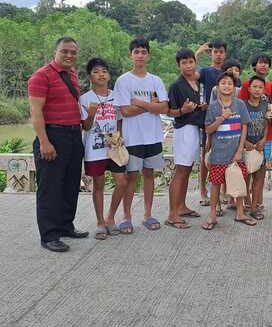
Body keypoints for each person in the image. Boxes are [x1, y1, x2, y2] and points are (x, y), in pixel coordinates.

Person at [28, 37, 88, 252]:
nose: (69, 55)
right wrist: (44, 142)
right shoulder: (41, 76)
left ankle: (65, 225)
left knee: (70, 184)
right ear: (55, 52)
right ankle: (49, 235)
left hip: (73, 135)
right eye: (65, 51)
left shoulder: (72, 75)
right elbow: (36, 112)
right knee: (50, 188)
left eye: (73, 52)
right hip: (53, 135)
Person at [113, 38, 169, 234]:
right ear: (131, 55)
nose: (140, 55)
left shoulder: (156, 80)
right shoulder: (123, 80)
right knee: (131, 176)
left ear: (148, 56)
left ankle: (147, 214)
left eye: (143, 52)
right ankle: (126, 217)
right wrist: (151, 105)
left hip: (153, 136)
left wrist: (139, 102)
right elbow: (125, 111)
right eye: (136, 52)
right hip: (132, 138)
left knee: (149, 174)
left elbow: (164, 107)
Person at [80, 58, 128, 240]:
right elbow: (85, 127)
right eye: (96, 71)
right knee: (98, 185)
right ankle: (100, 222)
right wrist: (91, 114)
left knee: (122, 182)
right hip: (94, 149)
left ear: (109, 75)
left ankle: (110, 217)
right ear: (90, 76)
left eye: (104, 71)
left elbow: (120, 120)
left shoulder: (117, 96)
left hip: (115, 147)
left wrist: (120, 138)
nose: (101, 74)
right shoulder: (84, 99)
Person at [202, 72, 255, 230]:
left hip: (236, 153)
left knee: (239, 180)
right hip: (218, 154)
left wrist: (240, 150)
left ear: (234, 87)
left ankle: (240, 212)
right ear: (218, 87)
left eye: (230, 83)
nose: (226, 86)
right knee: (216, 184)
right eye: (223, 83)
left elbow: (244, 127)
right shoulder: (213, 107)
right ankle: (212, 214)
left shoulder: (240, 104)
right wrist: (222, 117)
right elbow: (208, 129)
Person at [166, 48, 207, 229]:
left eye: (191, 62)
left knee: (188, 169)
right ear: (179, 65)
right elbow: (170, 111)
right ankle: (172, 214)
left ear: (195, 63)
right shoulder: (177, 85)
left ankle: (181, 207)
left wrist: (200, 107)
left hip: (194, 129)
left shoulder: (195, 82)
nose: (188, 65)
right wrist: (183, 110)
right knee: (181, 171)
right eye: (184, 63)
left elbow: (193, 107)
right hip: (184, 131)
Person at [195, 40, 227, 205]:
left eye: (221, 52)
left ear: (225, 54)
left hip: (227, 119)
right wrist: (197, 53)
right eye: (215, 52)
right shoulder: (205, 72)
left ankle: (223, 192)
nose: (218, 55)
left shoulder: (228, 73)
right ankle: (203, 190)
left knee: (225, 154)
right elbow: (189, 74)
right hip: (208, 119)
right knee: (205, 154)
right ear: (211, 54)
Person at [239, 53, 272, 170]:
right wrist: (244, 140)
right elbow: (240, 109)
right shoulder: (247, 84)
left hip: (266, 134)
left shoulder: (270, 85)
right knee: (247, 168)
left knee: (262, 167)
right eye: (260, 62)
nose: (263, 65)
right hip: (247, 135)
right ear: (254, 66)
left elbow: (271, 109)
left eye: (266, 63)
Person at [243, 76, 269, 220]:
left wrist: (264, 139)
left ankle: (254, 207)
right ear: (249, 88)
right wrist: (244, 142)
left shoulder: (265, 104)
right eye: (254, 87)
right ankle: (246, 203)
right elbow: (240, 125)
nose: (257, 90)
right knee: (246, 176)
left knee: (259, 177)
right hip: (246, 146)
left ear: (263, 90)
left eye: (260, 87)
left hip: (260, 146)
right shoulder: (243, 105)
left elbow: (266, 123)